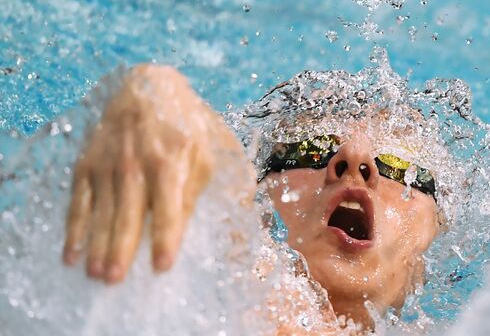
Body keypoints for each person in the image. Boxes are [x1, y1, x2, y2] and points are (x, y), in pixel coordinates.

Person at [62, 64, 440, 330]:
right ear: (258, 207)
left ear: (421, 268)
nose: (354, 158)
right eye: (309, 149)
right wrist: (154, 95)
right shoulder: (190, 303)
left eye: (398, 163)